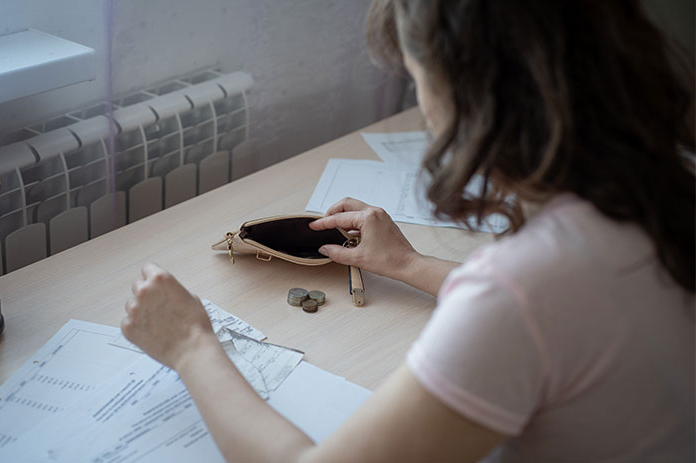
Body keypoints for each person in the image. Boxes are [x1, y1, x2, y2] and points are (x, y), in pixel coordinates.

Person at [121, 0, 695, 461]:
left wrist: (191, 345)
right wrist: (408, 264)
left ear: (467, 93)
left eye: (418, 79)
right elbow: (566, 314)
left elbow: (531, 305)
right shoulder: (669, 181)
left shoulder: (520, 292)